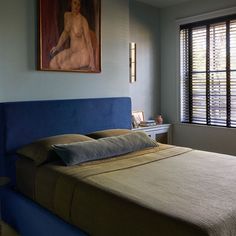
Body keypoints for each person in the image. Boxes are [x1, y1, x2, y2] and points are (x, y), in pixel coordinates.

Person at [49, 0, 95, 71]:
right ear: (71, 3)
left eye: (79, 4)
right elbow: (65, 33)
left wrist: (92, 61)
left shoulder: (83, 20)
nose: (76, 6)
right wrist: (57, 47)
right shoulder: (67, 16)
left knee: (64, 67)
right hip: (72, 51)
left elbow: (88, 41)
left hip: (82, 54)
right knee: (52, 64)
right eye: (75, 3)